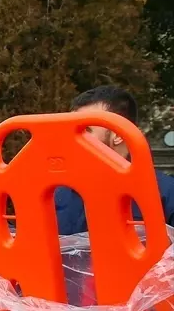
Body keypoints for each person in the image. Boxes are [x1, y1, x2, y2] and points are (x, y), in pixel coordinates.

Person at [55, 86, 174, 234]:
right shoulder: (57, 194)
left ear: (118, 133)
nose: (71, 139)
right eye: (70, 129)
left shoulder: (166, 194)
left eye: (84, 130)